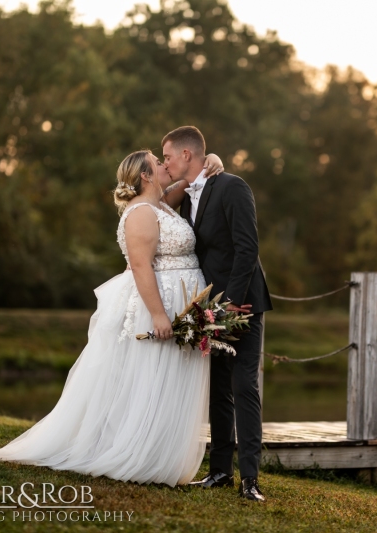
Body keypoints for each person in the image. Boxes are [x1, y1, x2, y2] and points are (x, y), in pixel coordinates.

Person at [0, 149, 225, 487]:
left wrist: (211, 159)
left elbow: (187, 178)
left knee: (167, 379)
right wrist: (159, 315)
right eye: (157, 163)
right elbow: (142, 266)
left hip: (183, 303)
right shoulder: (142, 212)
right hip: (158, 306)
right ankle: (137, 453)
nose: (164, 165)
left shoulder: (158, 205)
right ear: (145, 175)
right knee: (150, 378)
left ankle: (156, 451)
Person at [161, 126, 273, 502]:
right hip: (210, 307)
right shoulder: (189, 196)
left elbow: (247, 248)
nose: (166, 163)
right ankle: (221, 471)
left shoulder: (233, 187)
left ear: (188, 155)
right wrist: (209, 308)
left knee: (244, 387)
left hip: (242, 304)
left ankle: (250, 480)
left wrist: (234, 302)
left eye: (169, 156)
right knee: (218, 391)